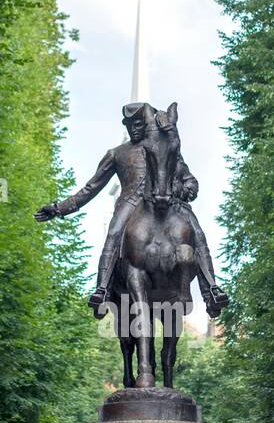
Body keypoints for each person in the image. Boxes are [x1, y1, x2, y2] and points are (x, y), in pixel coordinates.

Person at [35, 102, 229, 317]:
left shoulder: (163, 145)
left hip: (167, 201)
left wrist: (186, 190)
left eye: (138, 124)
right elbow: (91, 188)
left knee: (197, 232)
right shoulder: (116, 154)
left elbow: (188, 178)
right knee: (114, 232)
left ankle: (210, 290)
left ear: (147, 123)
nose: (134, 129)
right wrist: (59, 208)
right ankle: (103, 289)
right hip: (130, 202)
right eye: (129, 125)